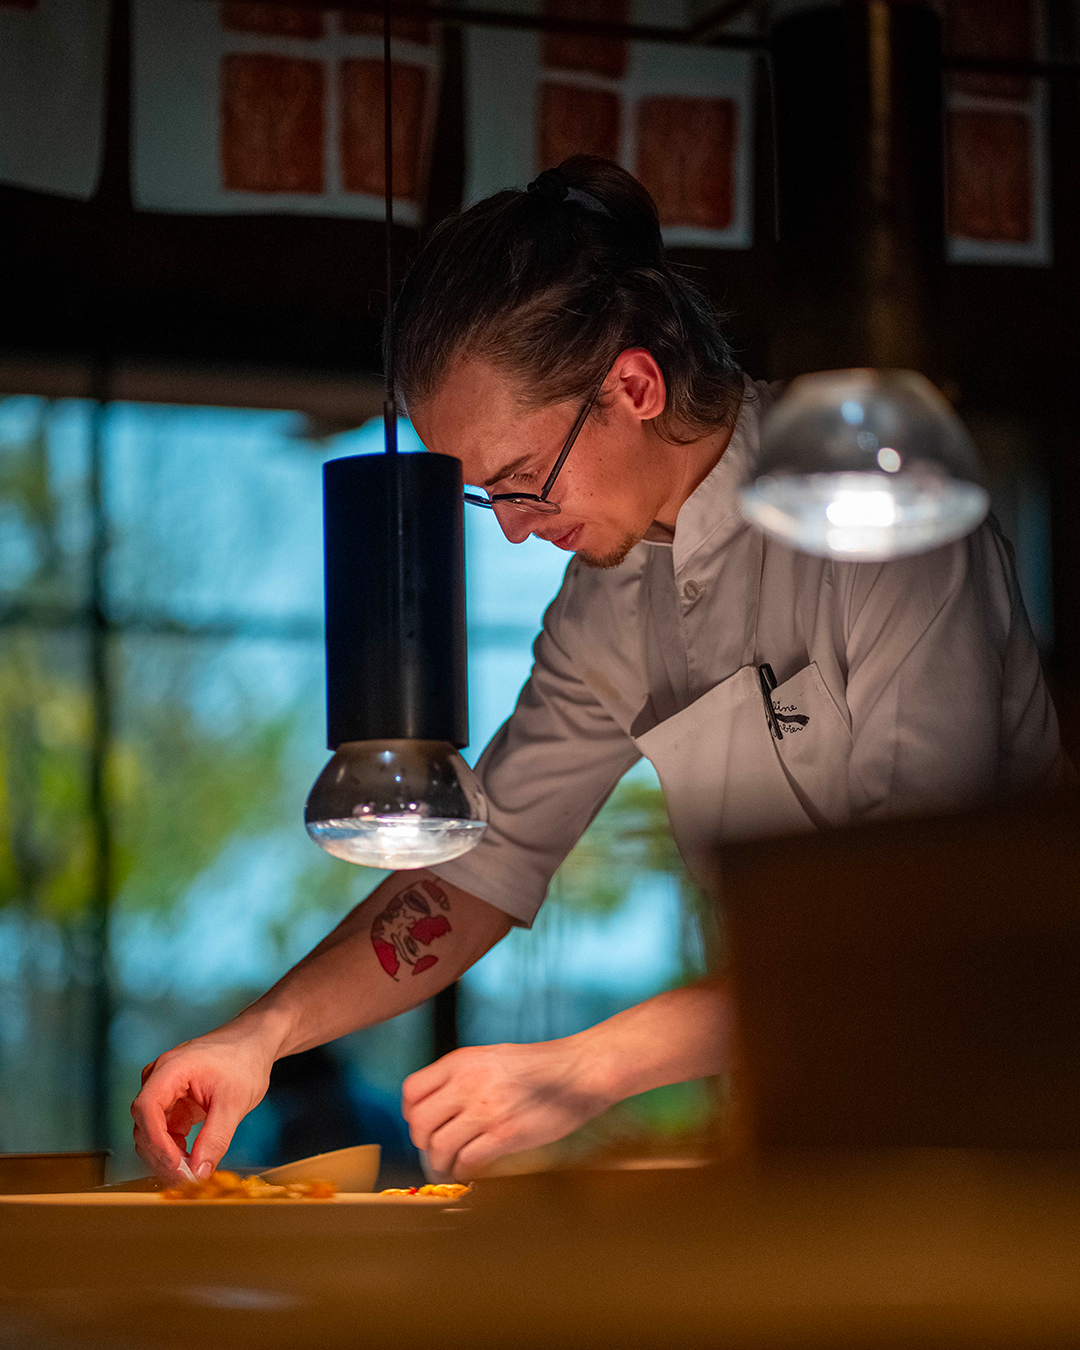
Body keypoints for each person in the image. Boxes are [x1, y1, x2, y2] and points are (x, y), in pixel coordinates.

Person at [132, 157, 1062, 1183]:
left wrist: (584, 1067)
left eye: (525, 480)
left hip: (1011, 1130)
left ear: (635, 385)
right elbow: (479, 872)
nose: (514, 531)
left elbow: (906, 922)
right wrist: (260, 1036)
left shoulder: (875, 514)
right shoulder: (605, 606)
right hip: (813, 1142)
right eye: (488, 498)